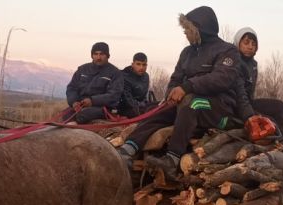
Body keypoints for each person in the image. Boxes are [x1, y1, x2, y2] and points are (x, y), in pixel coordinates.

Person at [118, 6, 243, 179]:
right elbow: (176, 78)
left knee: (192, 101)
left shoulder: (228, 51)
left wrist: (186, 87)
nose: (185, 32)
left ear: (199, 29)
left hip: (219, 108)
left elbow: (221, 78)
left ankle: (172, 159)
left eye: (187, 29)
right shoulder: (187, 53)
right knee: (160, 107)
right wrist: (171, 93)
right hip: (187, 103)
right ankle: (128, 149)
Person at [232, 27, 283, 157]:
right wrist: (252, 114)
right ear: (237, 42)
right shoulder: (234, 62)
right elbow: (239, 94)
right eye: (246, 42)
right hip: (235, 106)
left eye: (253, 44)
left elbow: (249, 93)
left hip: (248, 102)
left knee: (278, 105)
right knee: (268, 119)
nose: (250, 47)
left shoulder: (252, 64)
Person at [66, 42, 124, 124]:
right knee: (66, 115)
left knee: (83, 114)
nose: (98, 57)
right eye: (95, 54)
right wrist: (74, 102)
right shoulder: (82, 69)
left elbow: (114, 95)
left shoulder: (115, 73)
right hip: (80, 105)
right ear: (92, 55)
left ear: (108, 56)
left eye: (102, 54)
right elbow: (72, 88)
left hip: (102, 108)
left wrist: (92, 101)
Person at [118, 52, 153, 118]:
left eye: (144, 65)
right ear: (133, 64)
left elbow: (144, 96)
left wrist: (146, 104)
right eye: (138, 64)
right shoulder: (124, 76)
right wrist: (142, 107)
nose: (141, 67)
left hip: (141, 106)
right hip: (126, 107)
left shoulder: (146, 76)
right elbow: (127, 100)